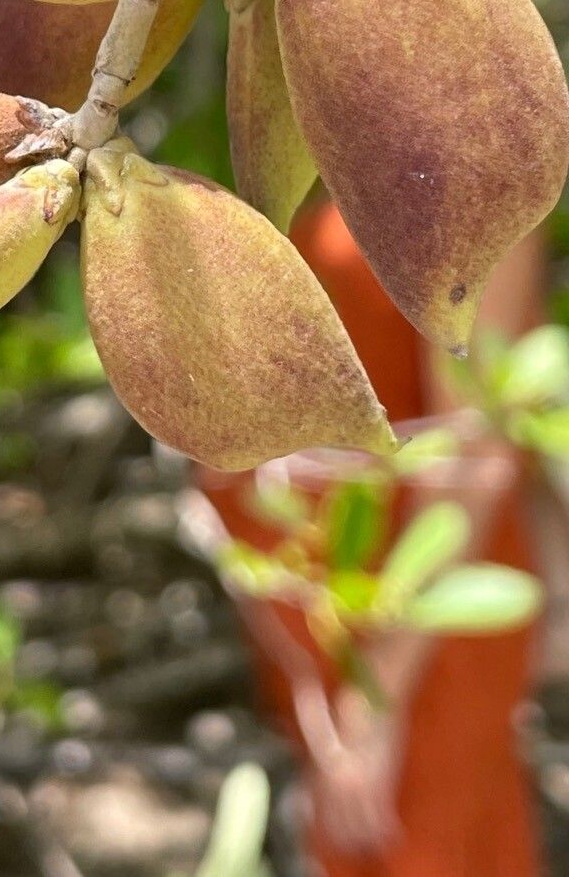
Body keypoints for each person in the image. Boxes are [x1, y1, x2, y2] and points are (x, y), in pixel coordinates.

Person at [198, 197, 547, 877]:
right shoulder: (325, 134)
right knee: (350, 849)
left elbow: (477, 459)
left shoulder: (482, 182)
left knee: (431, 848)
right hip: (329, 596)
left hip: (425, 615)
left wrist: (378, 693)